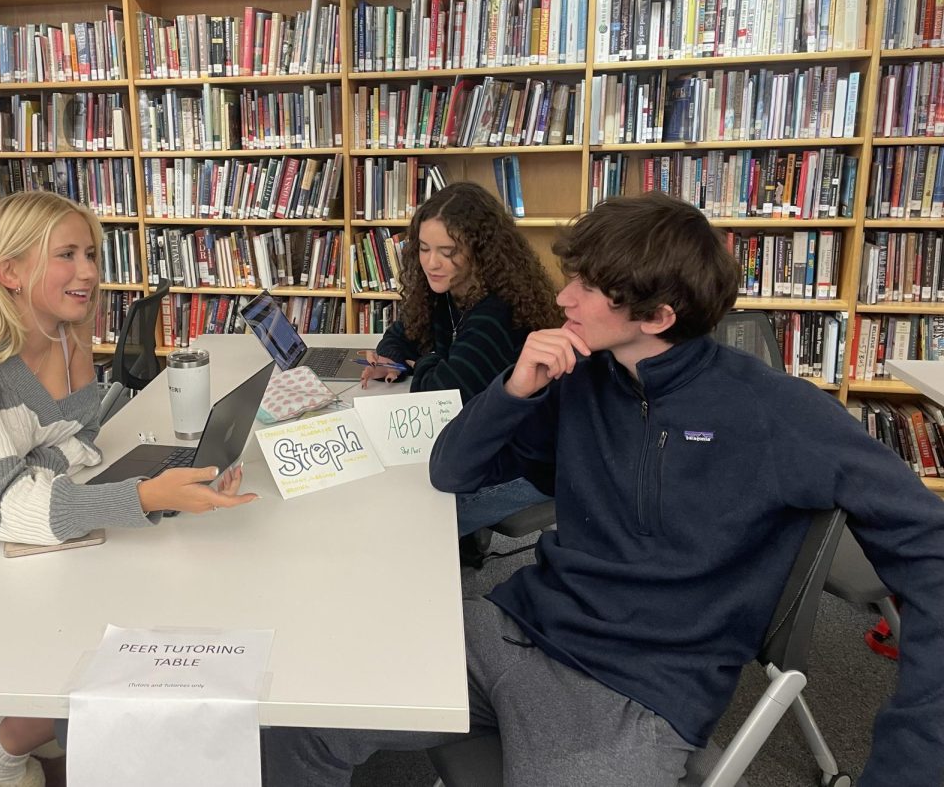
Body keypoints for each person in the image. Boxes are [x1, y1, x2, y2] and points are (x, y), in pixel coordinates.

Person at [264, 191, 944, 787]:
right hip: (517, 627)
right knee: (297, 714)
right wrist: (513, 390)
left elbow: (930, 551)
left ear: (655, 316)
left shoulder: (781, 414)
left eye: (585, 287)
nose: (562, 298)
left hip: (632, 694)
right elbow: (452, 473)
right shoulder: (581, 380)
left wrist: (911, 762)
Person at [0, 191, 257, 787]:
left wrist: (29, 476)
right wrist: (145, 496)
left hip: (2, 550)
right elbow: (2, 509)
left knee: (165, 601)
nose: (90, 271)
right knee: (133, 645)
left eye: (91, 253)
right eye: (66, 254)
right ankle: (0, 748)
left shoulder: (66, 335)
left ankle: (40, 733)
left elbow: (77, 447)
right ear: (9, 272)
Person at [358, 181, 562, 536]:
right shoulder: (446, 290)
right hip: (477, 448)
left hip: (524, 467)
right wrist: (394, 360)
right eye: (423, 249)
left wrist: (426, 357)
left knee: (402, 518)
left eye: (448, 251)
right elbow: (399, 337)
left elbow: (439, 396)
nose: (431, 263)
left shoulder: (498, 311)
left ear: (481, 253)